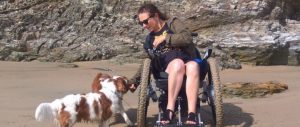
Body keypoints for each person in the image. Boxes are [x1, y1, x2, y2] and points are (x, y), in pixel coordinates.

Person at [129, 3, 200, 125]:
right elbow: (147, 60)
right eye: (141, 23)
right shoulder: (150, 39)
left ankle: (192, 113)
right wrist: (135, 80)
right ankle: (169, 109)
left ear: (155, 16)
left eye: (146, 21)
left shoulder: (173, 23)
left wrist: (166, 38)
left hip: (186, 59)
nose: (144, 26)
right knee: (177, 64)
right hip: (167, 65)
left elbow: (187, 37)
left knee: (194, 66)